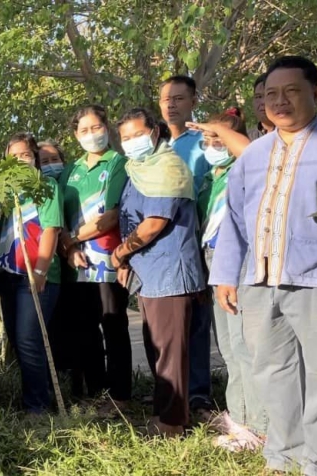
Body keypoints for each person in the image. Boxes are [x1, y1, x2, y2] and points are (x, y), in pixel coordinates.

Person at [211, 56, 317, 475]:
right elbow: (235, 219)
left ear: (316, 93)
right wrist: (225, 274)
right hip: (260, 281)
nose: (280, 101)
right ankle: (284, 457)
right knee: (272, 372)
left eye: (291, 91)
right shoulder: (254, 154)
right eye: (271, 93)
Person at [111, 108, 204, 437]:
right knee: (157, 347)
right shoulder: (138, 169)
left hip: (169, 271)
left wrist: (119, 254)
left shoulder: (166, 166)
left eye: (138, 134)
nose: (132, 142)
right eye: (125, 138)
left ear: (155, 132)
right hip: (150, 272)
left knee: (170, 351)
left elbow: (153, 225)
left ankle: (173, 422)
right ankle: (166, 412)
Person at [185, 110, 266, 451]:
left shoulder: (247, 167)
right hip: (215, 264)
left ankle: (261, 428)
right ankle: (241, 416)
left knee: (247, 346)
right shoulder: (210, 180)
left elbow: (250, 152)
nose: (212, 145)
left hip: (242, 263)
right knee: (230, 348)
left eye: (219, 138)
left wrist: (218, 128)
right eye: (207, 140)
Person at [57, 105, 132, 407]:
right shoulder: (70, 171)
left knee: (113, 325)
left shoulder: (118, 163)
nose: (91, 135)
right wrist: (70, 248)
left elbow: (111, 215)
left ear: (107, 128)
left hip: (108, 262)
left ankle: (121, 395)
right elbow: (58, 216)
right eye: (84, 130)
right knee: (85, 328)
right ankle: (96, 391)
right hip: (76, 265)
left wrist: (73, 239)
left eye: (96, 127)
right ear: (75, 135)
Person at [0, 133, 64, 414]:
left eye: (26, 155)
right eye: (14, 157)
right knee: (17, 337)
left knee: (28, 338)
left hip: (35, 275)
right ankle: (38, 394)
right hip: (10, 274)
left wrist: (40, 270)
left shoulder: (45, 186)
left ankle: (37, 407)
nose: (21, 161)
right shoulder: (6, 192)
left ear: (34, 158)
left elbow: (51, 229)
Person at [158, 75, 212, 419]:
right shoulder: (161, 149)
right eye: (166, 100)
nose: (171, 105)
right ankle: (173, 392)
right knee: (175, 326)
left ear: (194, 101)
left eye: (179, 98)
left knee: (198, 323)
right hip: (168, 250)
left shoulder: (205, 144)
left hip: (202, 243)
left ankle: (199, 396)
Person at [248, 74, 275, 140]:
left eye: (268, 96)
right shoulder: (246, 139)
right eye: (258, 97)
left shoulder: (293, 135)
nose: (263, 102)